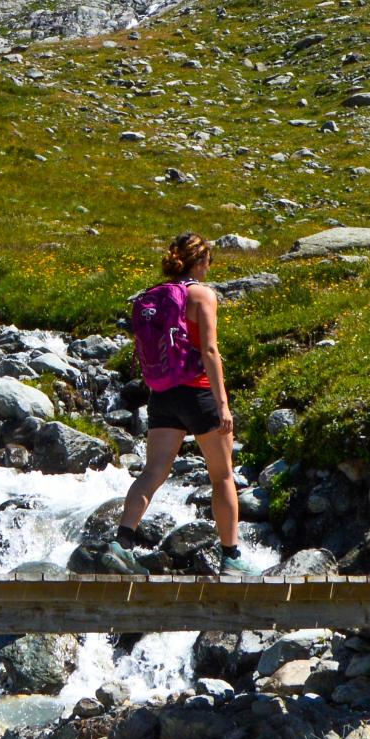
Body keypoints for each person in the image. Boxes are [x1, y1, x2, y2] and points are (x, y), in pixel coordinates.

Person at [117, 232, 250, 574]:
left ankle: (122, 543)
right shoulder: (202, 295)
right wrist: (222, 403)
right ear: (201, 261)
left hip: (163, 393)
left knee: (152, 472)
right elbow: (208, 350)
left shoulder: (154, 296)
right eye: (208, 262)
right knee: (222, 477)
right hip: (198, 392)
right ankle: (231, 557)